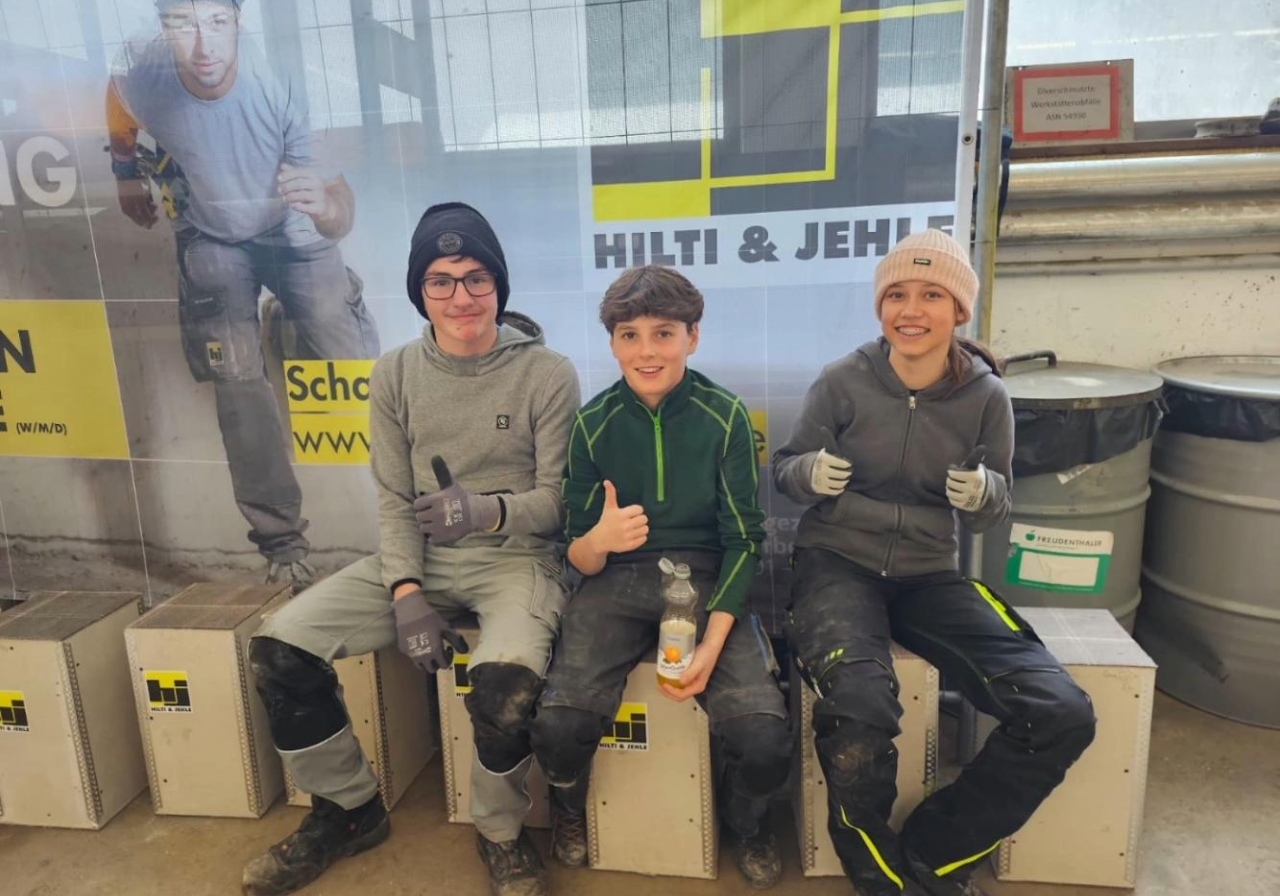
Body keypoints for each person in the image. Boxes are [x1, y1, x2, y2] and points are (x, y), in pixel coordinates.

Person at [241, 202, 581, 896]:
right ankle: (348, 811)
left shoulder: (548, 373)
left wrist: (485, 510)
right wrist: (405, 592)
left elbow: (556, 503)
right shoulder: (394, 373)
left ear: (498, 285)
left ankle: (500, 833)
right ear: (420, 291)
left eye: (477, 278)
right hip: (419, 556)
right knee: (280, 649)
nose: (462, 297)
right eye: (440, 281)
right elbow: (395, 498)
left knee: (505, 689)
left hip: (516, 559)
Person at [772, 229, 1097, 896]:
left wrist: (985, 493)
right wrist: (808, 473)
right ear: (879, 306)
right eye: (896, 294)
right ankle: (879, 875)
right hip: (836, 561)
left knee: (1061, 710)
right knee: (859, 708)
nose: (911, 310)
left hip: (930, 574)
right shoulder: (841, 381)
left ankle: (932, 852)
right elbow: (784, 471)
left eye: (931, 295)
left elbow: (992, 509)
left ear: (959, 310)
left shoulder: (987, 397)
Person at [529, 265, 791, 890]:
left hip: (708, 577)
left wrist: (712, 645)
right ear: (612, 342)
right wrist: (598, 540)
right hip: (616, 577)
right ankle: (568, 806)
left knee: (763, 737)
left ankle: (747, 821)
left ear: (692, 337)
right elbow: (579, 557)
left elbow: (744, 540)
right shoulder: (592, 424)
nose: (646, 351)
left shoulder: (725, 416)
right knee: (558, 726)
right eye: (629, 335)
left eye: (663, 333)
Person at [106, 0, 380, 592]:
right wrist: (125, 173)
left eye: (216, 22)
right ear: (164, 30)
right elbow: (119, 97)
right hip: (211, 233)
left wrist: (324, 211)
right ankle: (282, 543)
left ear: (238, 22)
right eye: (182, 24)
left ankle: (308, 310)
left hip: (291, 227)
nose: (203, 46)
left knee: (349, 359)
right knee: (237, 384)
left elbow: (339, 207)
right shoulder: (146, 73)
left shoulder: (284, 80)